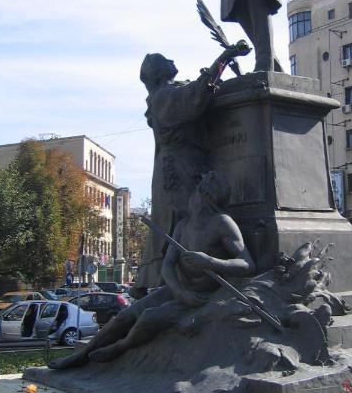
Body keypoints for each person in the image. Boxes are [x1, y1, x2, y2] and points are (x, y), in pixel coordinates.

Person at [49, 171, 255, 369]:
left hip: (201, 297)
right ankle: (80, 356)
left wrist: (210, 261)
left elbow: (247, 264)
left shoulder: (222, 223)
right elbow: (168, 265)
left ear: (206, 195)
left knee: (149, 317)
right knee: (124, 316)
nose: (192, 197)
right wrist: (179, 292)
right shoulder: (183, 225)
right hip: (178, 291)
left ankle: (121, 346)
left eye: (197, 191)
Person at [133, 42, 250, 293]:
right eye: (165, 59)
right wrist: (226, 56)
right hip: (180, 170)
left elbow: (195, 91)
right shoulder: (164, 96)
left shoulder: (168, 92)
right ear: (158, 72)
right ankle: (180, 282)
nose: (172, 59)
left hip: (187, 163)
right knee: (188, 218)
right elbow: (195, 97)